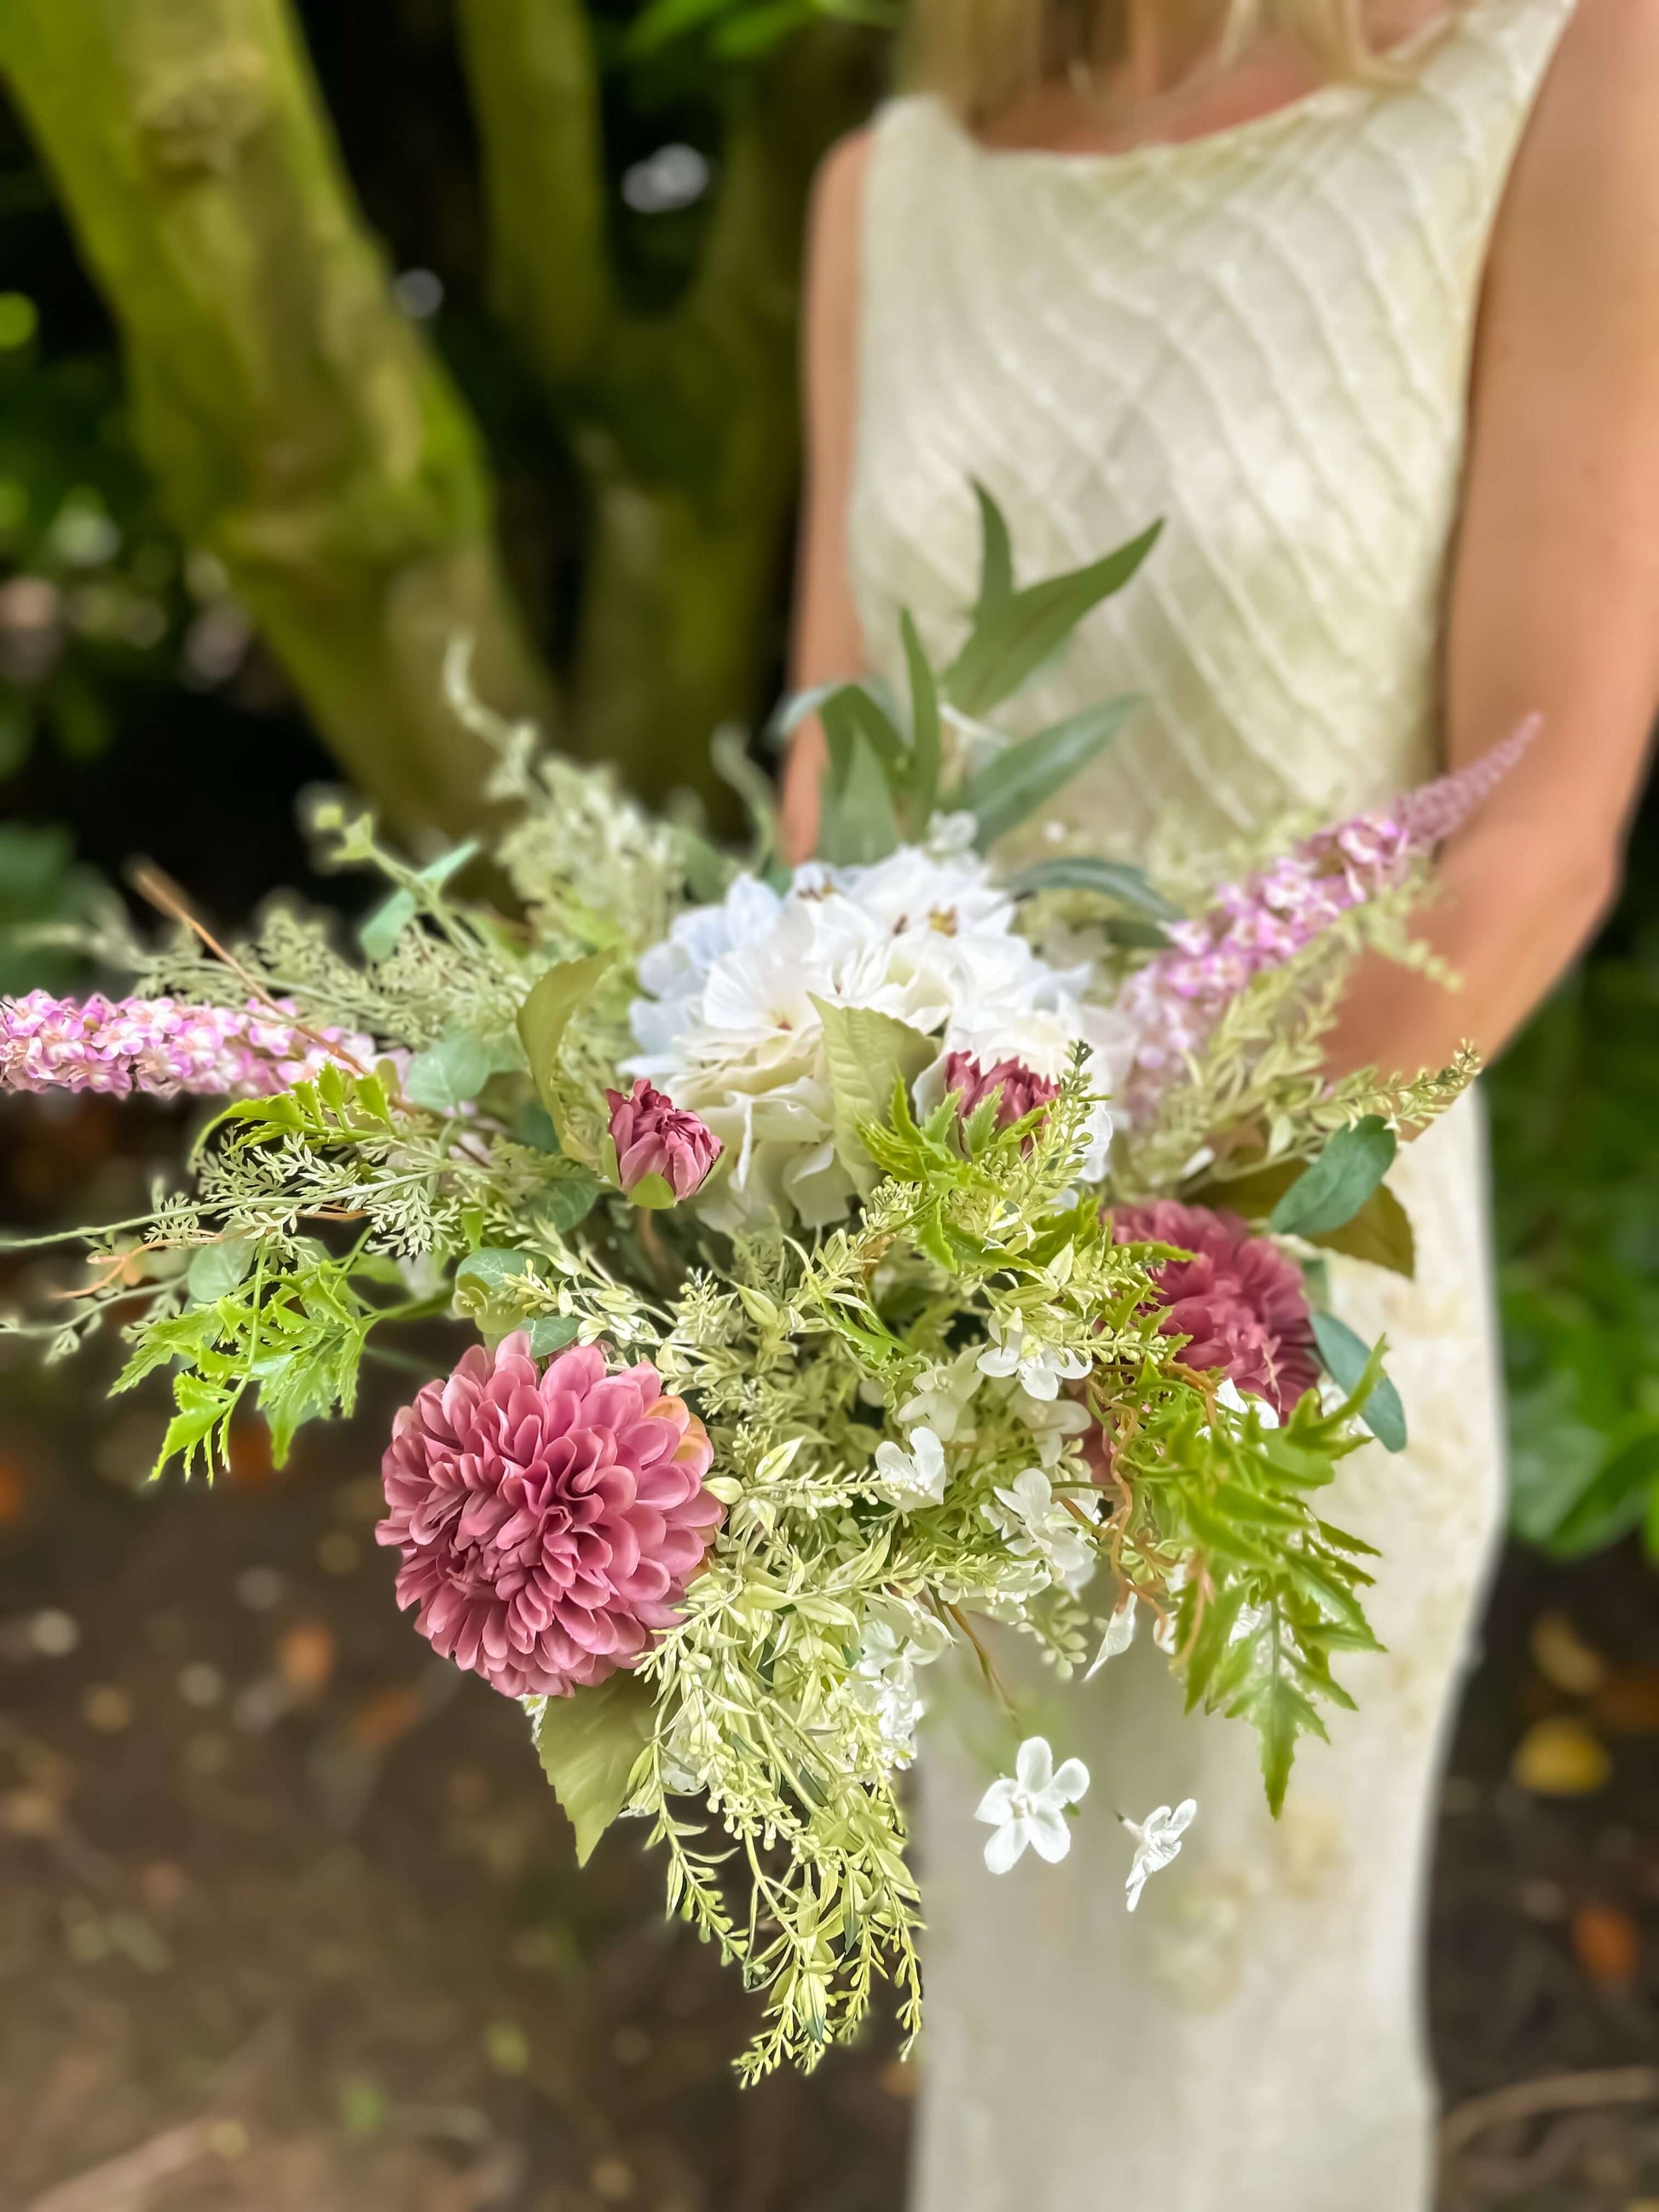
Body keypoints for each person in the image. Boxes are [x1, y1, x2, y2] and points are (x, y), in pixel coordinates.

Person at [780, 0, 1658, 2204]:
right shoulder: (889, 194)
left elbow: (1532, 830)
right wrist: (806, 1227)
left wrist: (1153, 1273)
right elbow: (830, 766)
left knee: (1216, 2062)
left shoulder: (1568, 79)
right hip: (924, 1338)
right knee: (1006, 1989)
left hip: (1275, 1334)